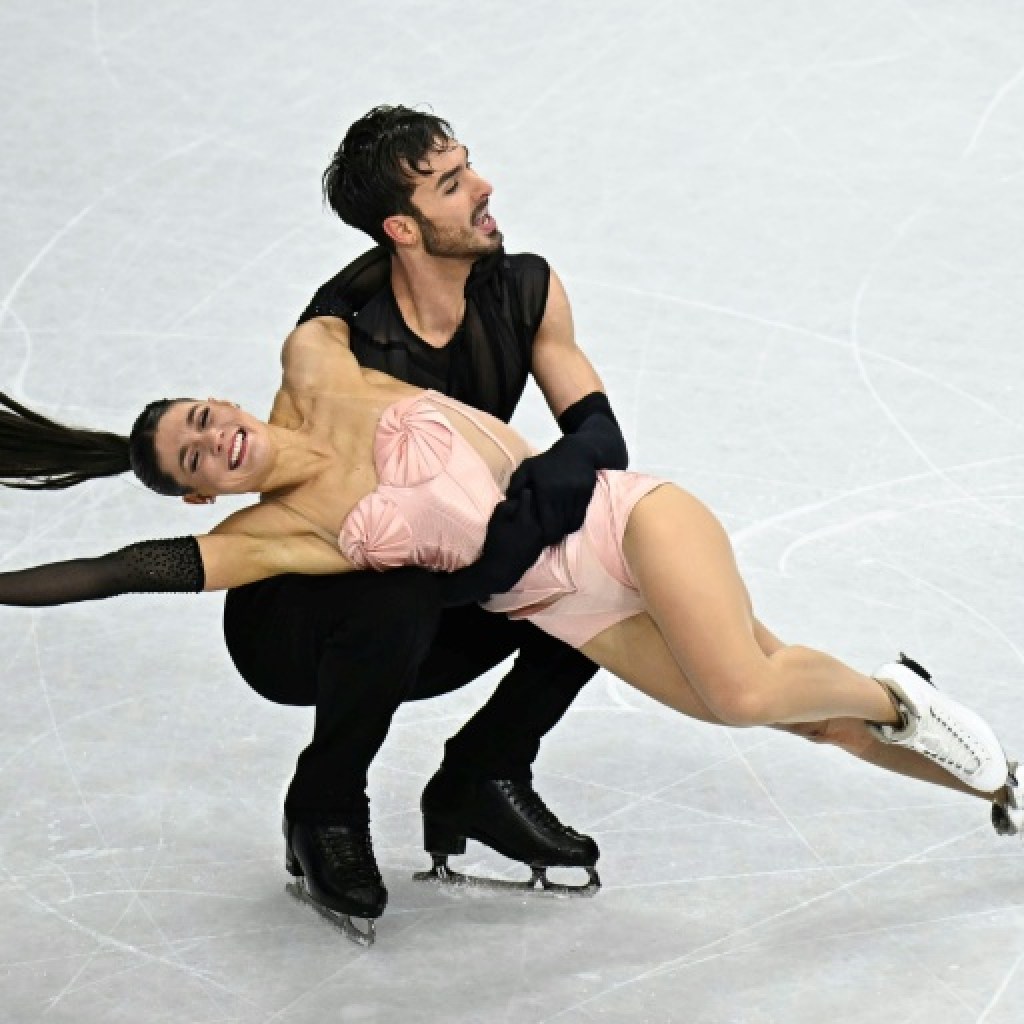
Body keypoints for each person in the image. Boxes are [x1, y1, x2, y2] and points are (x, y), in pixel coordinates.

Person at [0, 315, 1020, 947]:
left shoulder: (316, 360)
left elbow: (402, 268)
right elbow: (118, 571)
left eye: (198, 420)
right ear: (197, 494)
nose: (213, 443)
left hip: (624, 519)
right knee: (785, 705)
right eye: (195, 462)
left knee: (746, 689)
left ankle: (895, 694)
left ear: (217, 397)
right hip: (566, 609)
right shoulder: (272, 536)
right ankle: (993, 777)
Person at [228, 106, 629, 934]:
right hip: (306, 614)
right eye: (452, 185)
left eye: (468, 167)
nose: (484, 189)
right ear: (402, 228)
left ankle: (484, 774)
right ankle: (324, 806)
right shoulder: (338, 341)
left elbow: (597, 429)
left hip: (441, 579)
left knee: (613, 556)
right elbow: (340, 527)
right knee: (396, 584)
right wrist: (499, 549)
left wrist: (569, 465)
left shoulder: (525, 288)